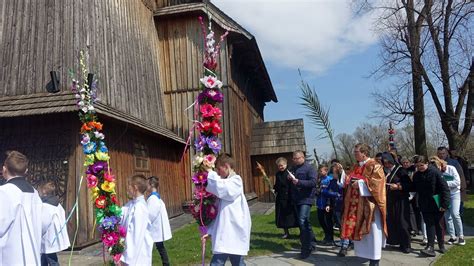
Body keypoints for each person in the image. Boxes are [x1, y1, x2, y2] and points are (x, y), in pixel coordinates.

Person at [341, 144, 387, 266]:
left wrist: (361, 183)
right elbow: (349, 179)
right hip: (357, 205)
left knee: (373, 232)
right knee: (361, 230)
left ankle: (375, 259)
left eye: (356, 152)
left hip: (371, 205)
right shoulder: (356, 166)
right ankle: (365, 255)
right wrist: (347, 179)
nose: (355, 154)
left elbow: (378, 184)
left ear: (364, 153)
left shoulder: (375, 165)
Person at [201, 154, 251, 265]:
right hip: (224, 231)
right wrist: (210, 231)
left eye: (219, 169)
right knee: (219, 262)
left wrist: (210, 173)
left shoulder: (236, 181)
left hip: (234, 230)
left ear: (226, 166)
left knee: (236, 262)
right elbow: (218, 212)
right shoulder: (224, 181)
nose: (218, 173)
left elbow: (225, 190)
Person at [0, 151, 43, 265]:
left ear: (4, 169)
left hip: (10, 257)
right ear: (26, 171)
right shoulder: (34, 193)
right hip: (32, 256)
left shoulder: (4, 192)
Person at [407, 156, 450, 257]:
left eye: (421, 165)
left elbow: (445, 189)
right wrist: (402, 185)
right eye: (417, 166)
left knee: (438, 225)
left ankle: (441, 244)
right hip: (424, 203)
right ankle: (430, 246)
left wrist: (444, 204)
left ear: (427, 163)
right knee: (429, 224)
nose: (420, 167)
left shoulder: (435, 172)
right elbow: (413, 187)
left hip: (437, 202)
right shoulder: (417, 175)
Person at [288, 150, 317, 259]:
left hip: (306, 199)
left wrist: (299, 182)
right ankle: (312, 242)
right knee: (305, 223)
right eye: (293, 159)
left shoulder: (310, 168)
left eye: (296, 158)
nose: (294, 160)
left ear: (302, 157)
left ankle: (306, 248)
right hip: (296, 199)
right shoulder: (293, 168)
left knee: (302, 221)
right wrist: (290, 178)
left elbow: (313, 182)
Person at [429, 157, 465, 246]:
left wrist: (444, 183)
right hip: (444, 195)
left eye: (438, 167)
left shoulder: (451, 168)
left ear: (441, 164)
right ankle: (452, 236)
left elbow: (457, 182)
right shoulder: (436, 172)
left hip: (454, 194)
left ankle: (461, 236)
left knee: (455, 214)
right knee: (447, 215)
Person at [382, 152, 412, 253]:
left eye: (388, 162)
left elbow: (409, 185)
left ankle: (406, 244)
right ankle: (398, 242)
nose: (387, 165)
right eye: (385, 163)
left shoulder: (401, 170)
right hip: (390, 200)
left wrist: (398, 187)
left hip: (401, 200)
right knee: (393, 221)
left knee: (403, 222)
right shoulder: (385, 171)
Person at [121, 174, 154, 265]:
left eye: (129, 186)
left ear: (135, 187)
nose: (127, 189)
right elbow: (121, 214)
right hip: (129, 253)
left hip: (136, 257)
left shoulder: (140, 208)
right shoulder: (131, 204)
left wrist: (127, 259)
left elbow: (135, 235)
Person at [38, 180, 70, 266]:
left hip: (48, 237)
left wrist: (38, 232)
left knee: (52, 259)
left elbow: (43, 223)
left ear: (44, 192)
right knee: (44, 256)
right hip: (53, 236)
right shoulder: (56, 203)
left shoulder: (45, 206)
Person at [146, 176, 172, 265]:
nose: (146, 186)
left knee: (150, 247)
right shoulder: (156, 197)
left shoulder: (153, 198)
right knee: (160, 247)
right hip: (156, 228)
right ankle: (166, 263)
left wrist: (144, 222)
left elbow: (150, 214)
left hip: (154, 228)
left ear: (152, 185)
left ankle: (165, 264)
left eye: (147, 184)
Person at [437, 147, 467, 223]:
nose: (441, 155)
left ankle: (459, 229)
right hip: (443, 192)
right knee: (446, 212)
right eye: (440, 154)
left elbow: (461, 175)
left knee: (457, 212)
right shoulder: (435, 164)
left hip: (455, 190)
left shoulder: (454, 162)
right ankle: (449, 230)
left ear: (447, 153)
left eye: (443, 153)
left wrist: (462, 188)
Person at [273, 157, 298, 239]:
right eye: (279, 166)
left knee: (293, 215)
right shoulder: (277, 174)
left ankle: (301, 232)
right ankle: (286, 233)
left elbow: (293, 184)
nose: (281, 167)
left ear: (286, 164)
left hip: (290, 197)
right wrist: (274, 189)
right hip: (281, 197)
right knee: (282, 216)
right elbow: (277, 184)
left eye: (282, 165)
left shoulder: (290, 172)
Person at [316, 164, 335, 246]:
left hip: (327, 204)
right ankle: (326, 235)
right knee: (321, 220)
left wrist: (328, 204)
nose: (320, 172)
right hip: (319, 203)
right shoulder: (319, 179)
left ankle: (330, 238)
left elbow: (330, 192)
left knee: (328, 221)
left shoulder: (330, 179)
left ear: (326, 171)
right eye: (319, 171)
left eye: (321, 171)